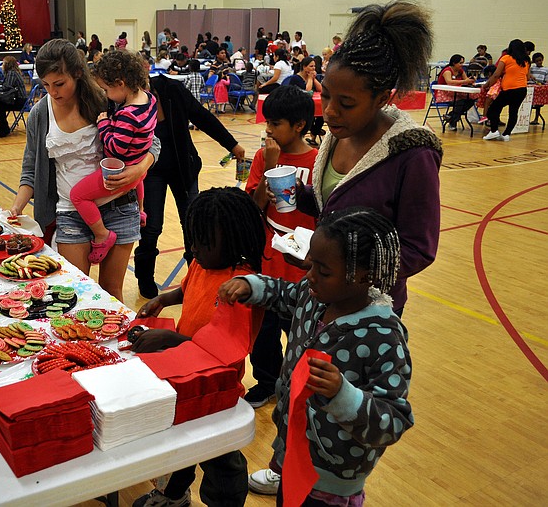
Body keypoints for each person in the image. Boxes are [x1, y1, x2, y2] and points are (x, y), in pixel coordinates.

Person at [220, 207, 412, 505]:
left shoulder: (384, 337)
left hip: (332, 483)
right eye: (310, 266)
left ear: (363, 276)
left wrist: (342, 394)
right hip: (291, 456)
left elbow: (393, 421)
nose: (310, 277)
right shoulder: (314, 297)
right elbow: (286, 295)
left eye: (323, 271)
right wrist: (253, 285)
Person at [298, 0, 440, 318]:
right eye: (327, 95)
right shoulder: (338, 133)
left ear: (381, 98)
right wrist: (301, 197)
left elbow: (419, 248)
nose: (330, 110)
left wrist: (351, 272)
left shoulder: (413, 153)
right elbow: (335, 207)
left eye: (346, 103)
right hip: (325, 295)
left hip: (370, 308)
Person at [132, 187, 266, 507]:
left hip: (217, 388)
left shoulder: (241, 285)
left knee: (218, 455)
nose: (194, 248)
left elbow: (223, 351)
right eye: (193, 239)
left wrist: (170, 340)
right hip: (184, 374)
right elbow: (187, 290)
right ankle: (173, 495)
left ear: (234, 239)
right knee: (180, 441)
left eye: (204, 242)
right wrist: (163, 299)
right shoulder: (202, 264)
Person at [8, 39, 159, 301]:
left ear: (77, 74)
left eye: (59, 84)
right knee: (75, 294)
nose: (53, 92)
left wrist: (139, 169)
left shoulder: (106, 99)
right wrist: (16, 207)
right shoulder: (39, 114)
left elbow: (152, 141)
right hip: (70, 213)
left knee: (112, 293)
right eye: (45, 85)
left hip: (120, 207)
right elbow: (30, 169)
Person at [134, 61, 245, 298]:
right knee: (152, 227)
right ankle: (144, 277)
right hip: (150, 172)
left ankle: (196, 277)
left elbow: (202, 117)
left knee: (192, 223)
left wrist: (232, 144)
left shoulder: (172, 90)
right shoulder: (124, 103)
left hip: (183, 167)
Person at [243, 86, 318, 409]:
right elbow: (252, 206)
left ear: (299, 125)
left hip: (303, 266)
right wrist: (269, 169)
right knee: (264, 333)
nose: (269, 130)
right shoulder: (264, 156)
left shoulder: (318, 160)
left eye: (276, 124)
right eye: (267, 123)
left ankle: (299, 385)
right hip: (268, 260)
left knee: (301, 332)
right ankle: (266, 381)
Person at [70, 49, 157, 263]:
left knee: (77, 195)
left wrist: (104, 124)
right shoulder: (149, 98)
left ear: (120, 83)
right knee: (139, 179)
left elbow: (114, 149)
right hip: (138, 166)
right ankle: (141, 211)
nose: (106, 95)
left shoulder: (128, 115)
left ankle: (102, 234)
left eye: (106, 89)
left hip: (120, 170)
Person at [482, 39, 531, 141]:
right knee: (513, 112)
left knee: (492, 110)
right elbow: (528, 77)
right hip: (522, 89)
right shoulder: (526, 60)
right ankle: (506, 134)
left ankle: (494, 131)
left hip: (509, 89)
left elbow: (496, 74)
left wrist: (486, 85)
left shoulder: (506, 58)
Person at [436, 54, 477, 130]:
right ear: (454, 63)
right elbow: (449, 82)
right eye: (460, 63)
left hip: (457, 92)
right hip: (444, 93)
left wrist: (471, 81)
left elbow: (466, 81)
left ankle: (450, 116)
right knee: (460, 102)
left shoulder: (461, 71)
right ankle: (453, 122)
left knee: (471, 100)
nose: (462, 65)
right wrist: (465, 81)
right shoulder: (447, 71)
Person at [0, 55, 28, 138]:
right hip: (18, 99)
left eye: (3, 63)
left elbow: (7, 87)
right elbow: (6, 83)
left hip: (19, 100)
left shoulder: (11, 73)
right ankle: (3, 127)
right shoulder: (13, 72)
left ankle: (5, 128)